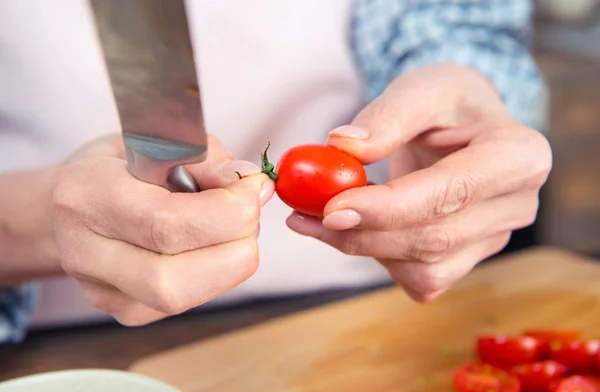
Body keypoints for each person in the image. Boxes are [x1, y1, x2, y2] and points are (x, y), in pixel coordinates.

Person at [0, 0, 552, 344]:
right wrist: (29, 224)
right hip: (62, 344)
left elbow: (452, 24)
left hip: (360, 309)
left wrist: (463, 85)